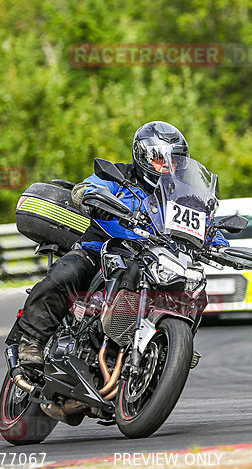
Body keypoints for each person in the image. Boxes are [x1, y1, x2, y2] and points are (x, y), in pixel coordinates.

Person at [17, 121, 228, 370]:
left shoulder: (184, 195)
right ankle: (32, 340)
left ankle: (175, 345)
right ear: (142, 155)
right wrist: (90, 194)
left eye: (176, 160)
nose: (167, 166)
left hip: (157, 257)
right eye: (160, 158)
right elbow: (91, 186)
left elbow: (205, 224)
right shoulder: (119, 176)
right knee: (68, 272)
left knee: (195, 289)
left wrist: (221, 245)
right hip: (103, 248)